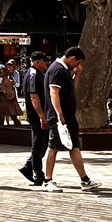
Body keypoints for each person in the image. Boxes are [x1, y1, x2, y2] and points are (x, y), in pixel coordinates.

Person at [43, 45, 93, 190]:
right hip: (60, 117)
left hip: (67, 117)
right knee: (53, 147)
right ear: (72, 58)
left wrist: (77, 75)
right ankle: (48, 180)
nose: (78, 65)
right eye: (77, 62)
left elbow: (71, 89)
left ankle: (85, 180)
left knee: (74, 146)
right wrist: (59, 114)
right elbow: (54, 92)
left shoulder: (64, 70)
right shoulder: (57, 70)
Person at [19, 51, 52, 185]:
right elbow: (33, 96)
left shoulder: (39, 74)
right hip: (37, 116)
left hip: (42, 115)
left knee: (43, 144)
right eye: (45, 61)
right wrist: (41, 116)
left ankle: (29, 166)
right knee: (38, 145)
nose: (46, 64)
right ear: (37, 61)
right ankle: (38, 175)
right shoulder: (32, 74)